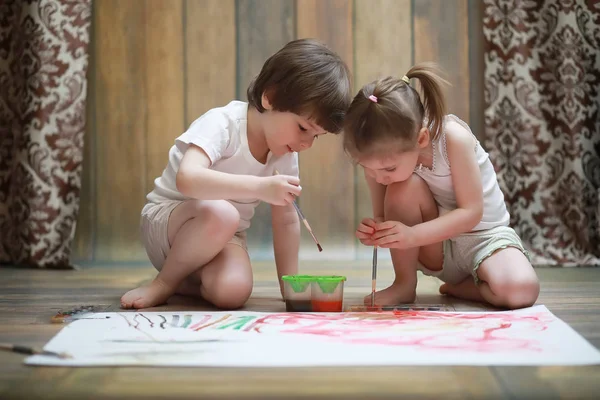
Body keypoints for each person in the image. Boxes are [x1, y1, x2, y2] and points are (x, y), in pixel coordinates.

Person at [121, 38, 352, 310]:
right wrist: (259, 187)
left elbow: (287, 221)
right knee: (224, 214)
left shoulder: (285, 152)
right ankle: (163, 283)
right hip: (169, 223)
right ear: (270, 97)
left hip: (223, 238)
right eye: (303, 128)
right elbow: (188, 179)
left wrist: (289, 288)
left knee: (233, 291)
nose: (306, 144)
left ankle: (185, 278)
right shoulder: (223, 124)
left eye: (317, 136)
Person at [343, 62, 539, 309]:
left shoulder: (454, 139)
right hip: (435, 250)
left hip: (484, 239)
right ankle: (404, 284)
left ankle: (463, 288)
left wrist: (412, 235)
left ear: (421, 138)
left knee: (522, 290)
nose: (378, 177)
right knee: (401, 187)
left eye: (388, 169)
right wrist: (378, 229)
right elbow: (385, 215)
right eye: (366, 168)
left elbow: (472, 212)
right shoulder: (381, 162)